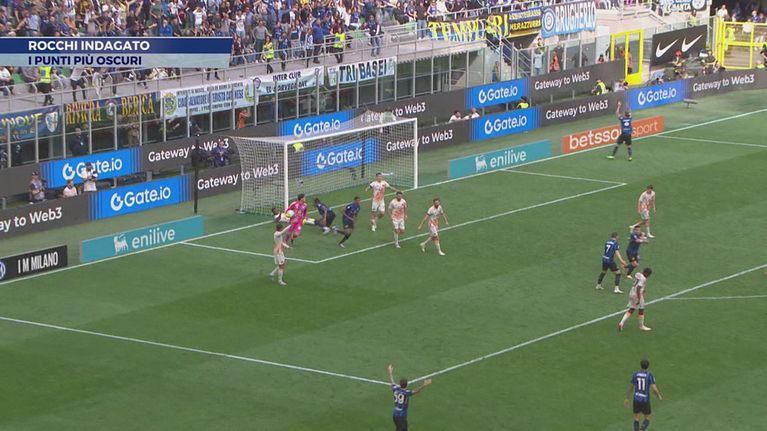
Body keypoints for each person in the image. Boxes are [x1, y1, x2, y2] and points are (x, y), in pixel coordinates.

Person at [387, 364, 432, 431]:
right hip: (401, 416)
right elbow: (416, 391)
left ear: (400, 384)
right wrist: (424, 385)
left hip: (395, 414)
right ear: (407, 384)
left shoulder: (395, 389)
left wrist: (390, 372)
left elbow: (392, 381)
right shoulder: (406, 393)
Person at [624, 359, 663, 430]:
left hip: (636, 399)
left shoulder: (635, 374)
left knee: (636, 418)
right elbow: (654, 389)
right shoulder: (649, 375)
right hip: (645, 400)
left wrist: (627, 398)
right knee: (647, 418)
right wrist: (658, 395)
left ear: (640, 365)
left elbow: (631, 387)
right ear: (648, 366)